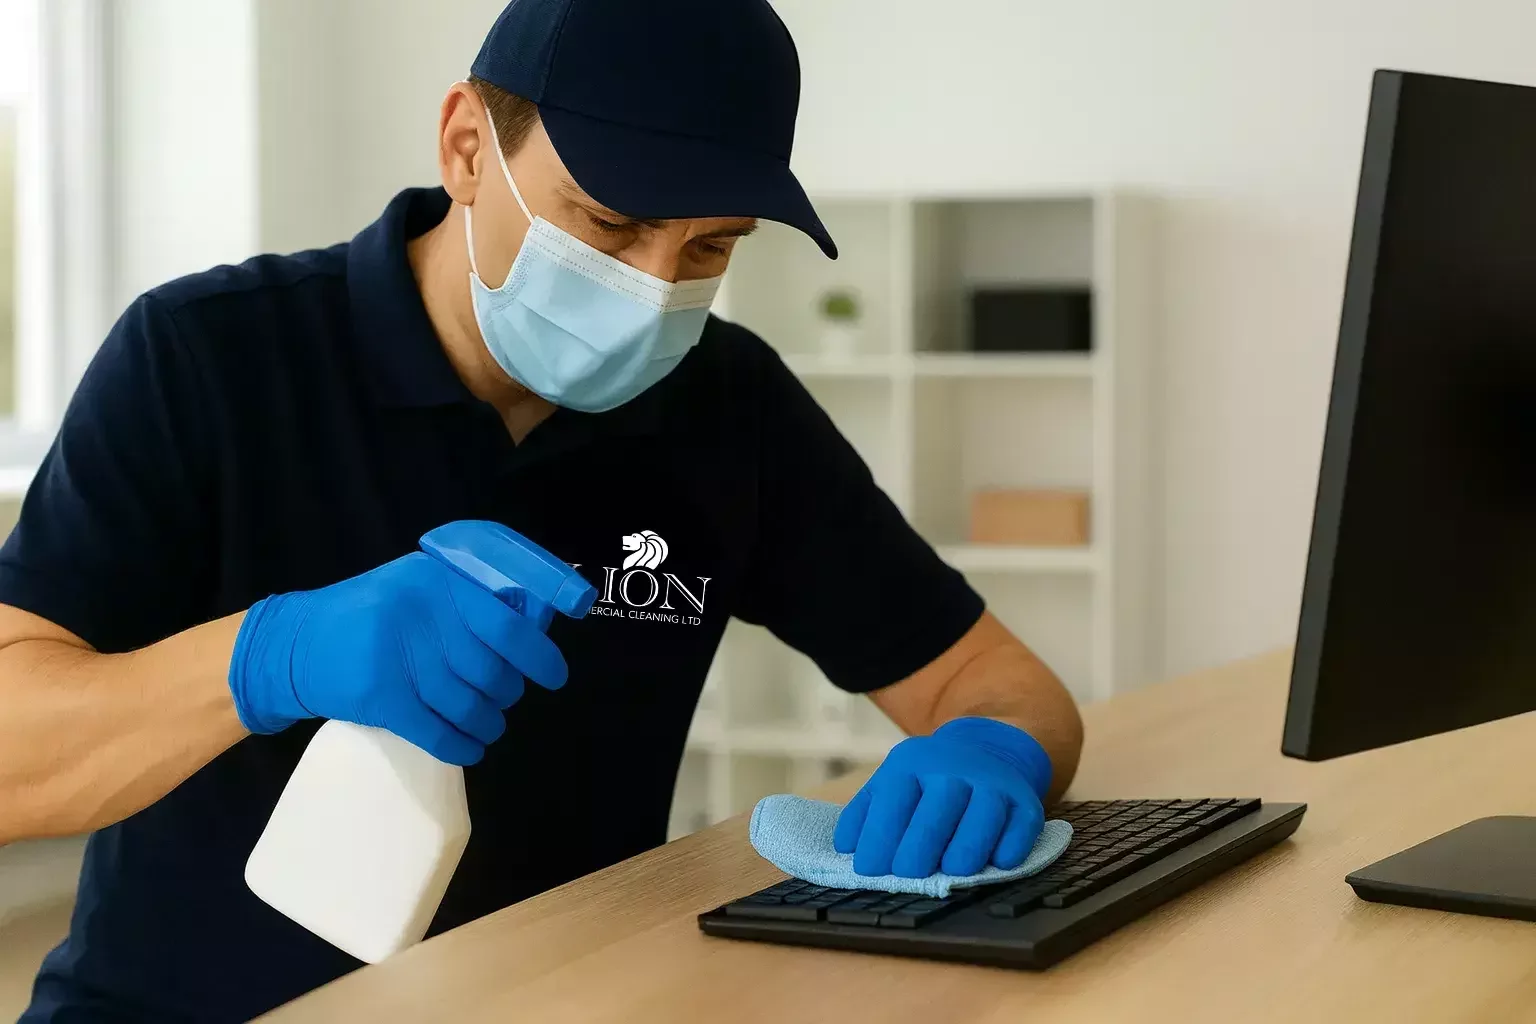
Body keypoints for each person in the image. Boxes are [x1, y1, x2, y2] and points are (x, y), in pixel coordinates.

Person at [0, 0, 1083, 1020]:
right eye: (611, 225)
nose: (658, 289)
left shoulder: (727, 407)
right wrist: (268, 657)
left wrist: (996, 746)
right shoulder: (208, 359)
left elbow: (990, 678)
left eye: (711, 246)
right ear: (468, 147)